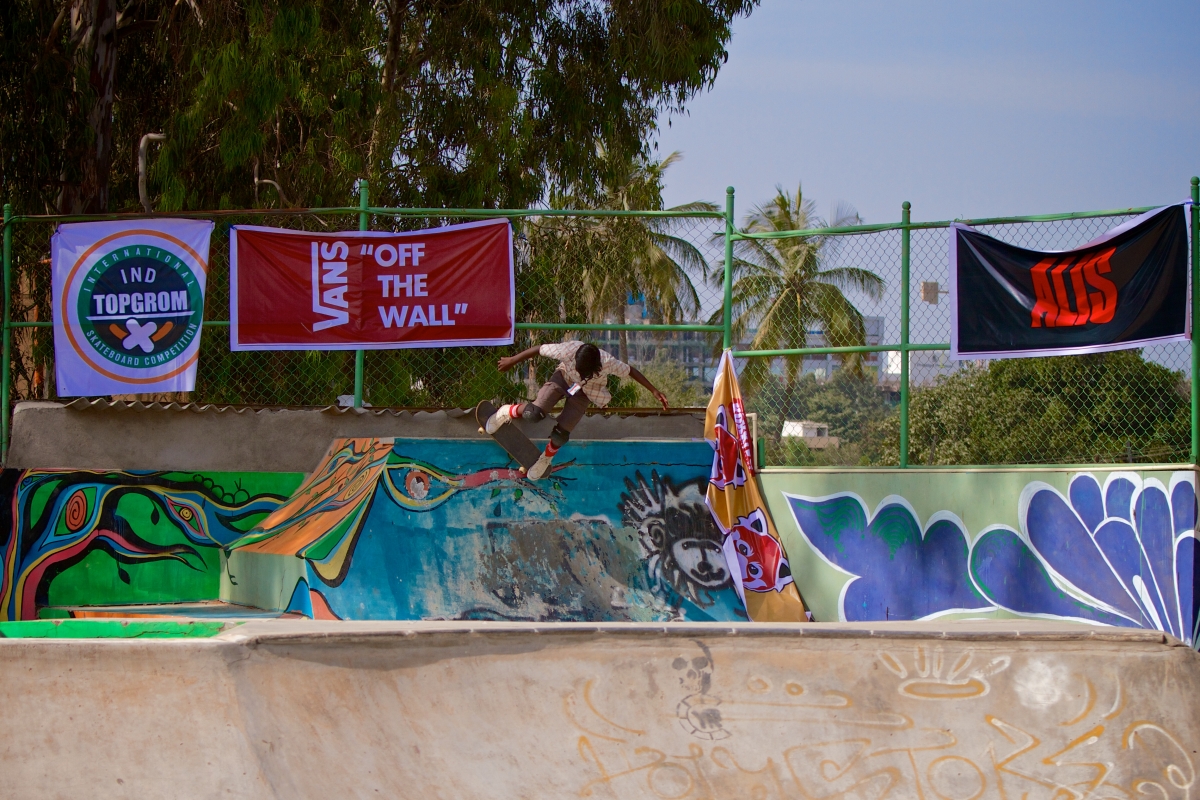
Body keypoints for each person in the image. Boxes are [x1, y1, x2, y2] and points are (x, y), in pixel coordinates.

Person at [487, 340, 669, 479]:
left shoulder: (608, 362)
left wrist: (654, 390)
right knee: (533, 414)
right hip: (563, 378)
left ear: (597, 367)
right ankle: (505, 411)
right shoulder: (568, 350)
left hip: (585, 392)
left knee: (561, 435)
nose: (581, 374)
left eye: (585, 372)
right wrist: (512, 360)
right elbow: (539, 348)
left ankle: (545, 459)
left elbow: (631, 371)